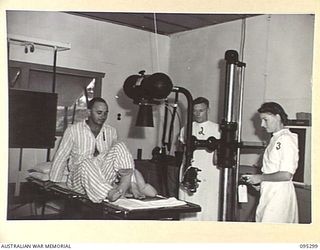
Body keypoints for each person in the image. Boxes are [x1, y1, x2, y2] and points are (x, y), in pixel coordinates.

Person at [49, 97, 157, 203]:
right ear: (89, 112)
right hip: (80, 178)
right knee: (86, 163)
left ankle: (126, 184)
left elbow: (118, 157)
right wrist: (53, 181)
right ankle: (110, 192)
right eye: (99, 113)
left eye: (105, 113)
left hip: (103, 175)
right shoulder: (73, 130)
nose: (103, 116)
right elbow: (61, 157)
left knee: (120, 146)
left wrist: (129, 180)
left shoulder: (111, 131)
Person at [242, 102, 299, 223]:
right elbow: (272, 170)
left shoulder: (286, 139)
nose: (262, 125)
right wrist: (260, 183)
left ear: (277, 117)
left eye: (265, 120)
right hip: (269, 193)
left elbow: (286, 174)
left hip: (279, 196)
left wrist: (260, 177)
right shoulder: (275, 139)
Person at [178, 97, 221, 220]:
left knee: (208, 205)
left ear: (208, 110)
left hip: (210, 172)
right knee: (188, 204)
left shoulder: (217, 129)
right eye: (195, 111)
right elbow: (183, 149)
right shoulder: (186, 129)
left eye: (201, 110)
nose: (197, 114)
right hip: (189, 170)